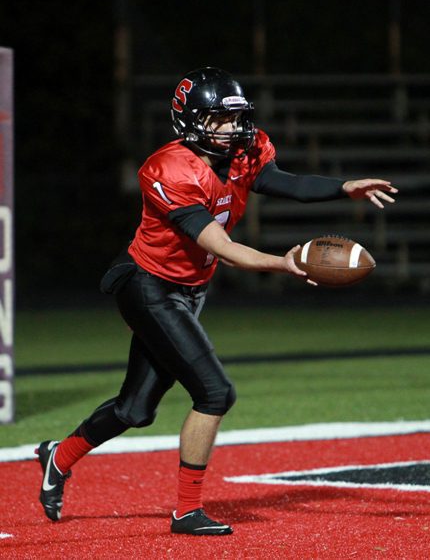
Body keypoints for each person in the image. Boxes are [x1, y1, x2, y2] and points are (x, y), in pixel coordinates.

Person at [36, 67, 397, 535]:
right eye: (219, 121)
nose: (233, 129)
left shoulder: (246, 152)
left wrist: (342, 186)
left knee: (135, 409)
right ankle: (187, 511)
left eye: (236, 119)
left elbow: (283, 182)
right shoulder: (169, 169)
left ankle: (56, 458)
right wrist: (284, 263)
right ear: (189, 120)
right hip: (149, 286)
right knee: (214, 392)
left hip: (188, 289)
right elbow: (222, 247)